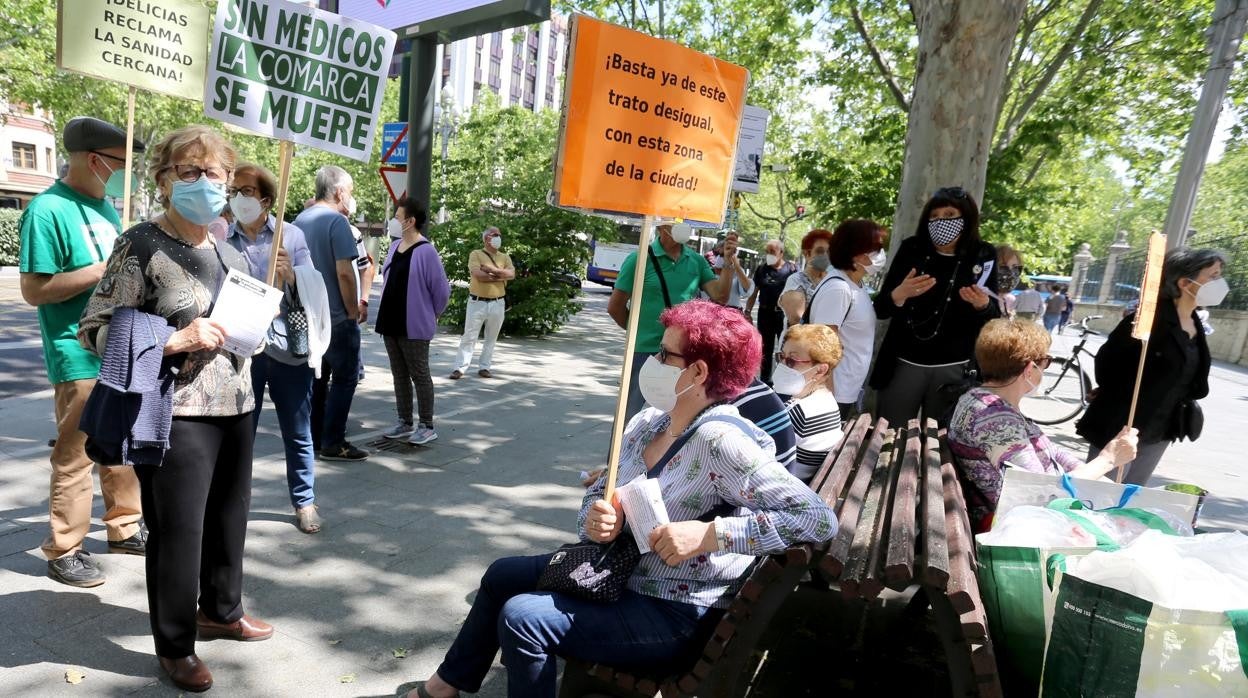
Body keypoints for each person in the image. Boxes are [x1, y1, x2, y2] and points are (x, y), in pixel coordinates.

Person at [412, 300, 836, 698]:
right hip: (620, 574)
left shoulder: (721, 441)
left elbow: (817, 519)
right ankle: (445, 685)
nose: (653, 361)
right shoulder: (652, 420)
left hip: (672, 611)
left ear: (699, 372)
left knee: (524, 618)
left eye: (665, 354)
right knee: (503, 574)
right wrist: (595, 520)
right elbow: (601, 491)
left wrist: (712, 534)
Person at [78, 125, 275, 692]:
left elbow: (240, 323)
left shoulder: (228, 246)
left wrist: (255, 333)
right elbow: (93, 329)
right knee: (178, 531)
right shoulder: (141, 244)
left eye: (214, 173)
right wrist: (172, 340)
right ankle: (174, 643)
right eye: (189, 170)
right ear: (164, 180)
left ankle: (221, 610)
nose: (204, 182)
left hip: (237, 402)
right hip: (175, 410)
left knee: (229, 520)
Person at [18, 116, 145, 587]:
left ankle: (124, 525)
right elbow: (34, 290)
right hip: (77, 351)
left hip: (119, 346)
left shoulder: (106, 208)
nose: (124, 172)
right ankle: (65, 548)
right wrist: (99, 271)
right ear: (94, 160)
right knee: (76, 454)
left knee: (121, 444)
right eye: (119, 163)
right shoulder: (47, 210)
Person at [948, 320, 1138, 532]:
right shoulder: (994, 417)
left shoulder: (984, 400)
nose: (1046, 368)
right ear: (1030, 369)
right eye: (1046, 361)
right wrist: (1108, 459)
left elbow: (1051, 451)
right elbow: (1041, 493)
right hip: (1022, 525)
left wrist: (1103, 480)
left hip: (1033, 516)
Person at [223, 162, 328, 535]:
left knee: (297, 430)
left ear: (266, 199)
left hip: (286, 345)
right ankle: (233, 504)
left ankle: (305, 501)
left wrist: (292, 274)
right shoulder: (221, 235)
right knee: (238, 433)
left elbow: (315, 286)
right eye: (234, 191)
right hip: (239, 350)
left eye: (247, 192)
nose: (238, 198)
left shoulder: (291, 235)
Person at [1076, 248, 1223, 486]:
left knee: (1130, 497)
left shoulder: (1195, 321)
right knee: (1098, 493)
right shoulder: (1147, 319)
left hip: (1161, 429)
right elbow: (1107, 363)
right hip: (1122, 424)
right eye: (1213, 275)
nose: (1219, 282)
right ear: (1185, 282)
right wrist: (1116, 392)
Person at [871, 186, 1000, 428]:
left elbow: (994, 317)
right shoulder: (912, 249)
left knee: (941, 446)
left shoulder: (983, 255)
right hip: (902, 364)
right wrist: (899, 295)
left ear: (967, 217)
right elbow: (881, 308)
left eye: (950, 215)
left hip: (955, 370)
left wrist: (982, 305)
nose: (941, 222)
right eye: (934, 216)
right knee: (889, 437)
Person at [607, 223, 729, 417]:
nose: (684, 226)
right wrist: (637, 332)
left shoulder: (696, 261)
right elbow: (615, 307)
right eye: (676, 221)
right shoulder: (639, 260)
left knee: (677, 415)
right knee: (628, 415)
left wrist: (729, 262)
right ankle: (623, 448)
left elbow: (720, 296)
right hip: (643, 352)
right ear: (662, 227)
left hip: (682, 354)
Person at [295, 166, 368, 461]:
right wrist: (353, 310)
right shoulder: (336, 222)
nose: (350, 197)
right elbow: (346, 274)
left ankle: (313, 437)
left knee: (316, 378)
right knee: (345, 378)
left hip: (307, 314)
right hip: (336, 316)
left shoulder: (300, 220)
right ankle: (334, 441)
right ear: (339, 192)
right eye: (349, 191)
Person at [376, 196, 451, 445]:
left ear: (410, 221)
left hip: (414, 323)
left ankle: (427, 425)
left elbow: (441, 291)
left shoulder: (426, 251)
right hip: (391, 320)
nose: (393, 222)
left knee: (419, 373)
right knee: (399, 374)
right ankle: (404, 422)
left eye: (397, 218)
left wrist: (433, 313)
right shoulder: (394, 247)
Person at [807, 219, 887, 419]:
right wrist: (827, 393)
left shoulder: (854, 286)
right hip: (834, 393)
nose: (880, 254)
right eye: (876, 248)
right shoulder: (839, 289)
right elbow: (823, 345)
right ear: (856, 253)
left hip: (847, 389)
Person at [773, 324, 844, 483]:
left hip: (788, 486)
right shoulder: (826, 399)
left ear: (820, 370)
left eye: (791, 360)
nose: (782, 366)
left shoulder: (799, 412)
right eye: (781, 357)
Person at [451, 226, 514, 379]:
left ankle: (484, 367)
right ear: (487, 238)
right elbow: (478, 275)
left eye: (499, 234)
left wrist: (491, 270)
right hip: (477, 302)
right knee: (469, 336)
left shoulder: (504, 257)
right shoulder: (476, 254)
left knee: (491, 337)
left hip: (498, 303)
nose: (499, 237)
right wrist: (500, 274)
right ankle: (460, 368)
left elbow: (511, 274)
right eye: (495, 234)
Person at [745, 239, 797, 384]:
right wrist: (747, 312)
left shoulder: (791, 270)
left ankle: (782, 382)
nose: (769, 255)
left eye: (772, 252)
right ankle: (765, 382)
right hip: (765, 314)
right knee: (765, 351)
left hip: (783, 316)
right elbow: (753, 292)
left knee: (785, 349)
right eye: (767, 252)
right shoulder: (762, 270)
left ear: (781, 253)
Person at [777, 228, 834, 327]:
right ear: (807, 253)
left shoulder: (831, 281)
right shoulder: (796, 280)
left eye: (829, 252)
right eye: (820, 251)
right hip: (800, 340)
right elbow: (796, 319)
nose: (825, 256)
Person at [711, 230, 754, 312]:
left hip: (732, 313)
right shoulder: (708, 267)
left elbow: (747, 291)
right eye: (727, 245)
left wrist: (736, 265)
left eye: (733, 246)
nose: (730, 249)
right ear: (719, 248)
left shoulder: (737, 268)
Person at [996, 244, 1023, 318]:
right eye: (1003, 266)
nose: (1010, 272)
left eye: (1015, 267)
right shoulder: (980, 300)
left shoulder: (1004, 300)